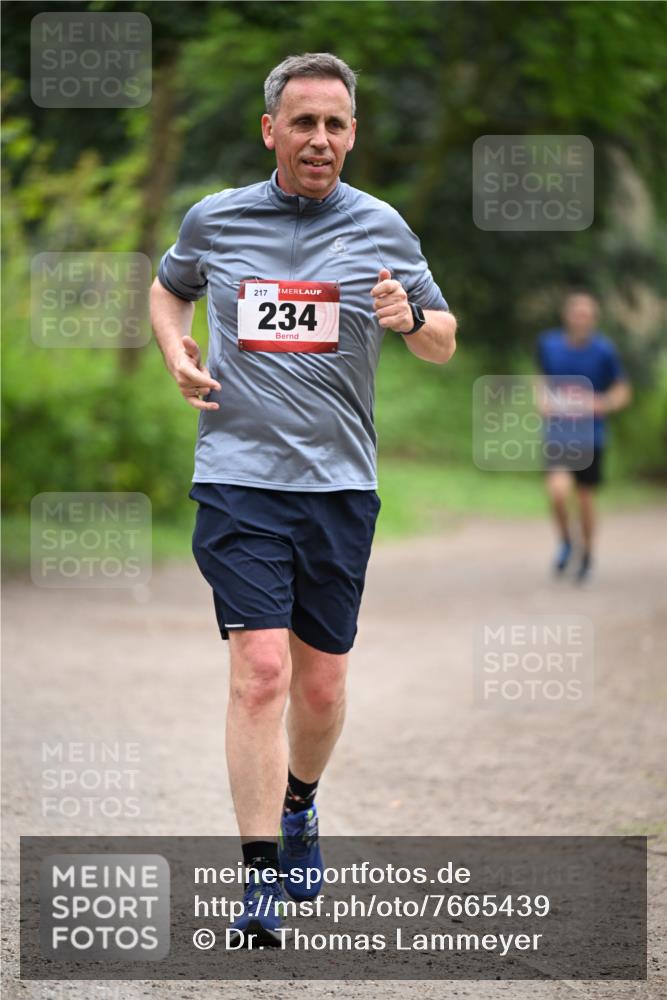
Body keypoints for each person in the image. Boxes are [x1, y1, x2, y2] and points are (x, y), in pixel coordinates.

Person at [150, 52, 456, 945]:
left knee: (319, 691)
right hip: (239, 480)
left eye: (334, 124)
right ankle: (255, 881)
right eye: (303, 122)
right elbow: (170, 295)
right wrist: (176, 351)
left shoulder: (383, 228)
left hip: (339, 487)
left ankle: (301, 802)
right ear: (270, 130)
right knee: (262, 674)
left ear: (352, 133)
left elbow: (441, 339)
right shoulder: (216, 219)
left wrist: (408, 321)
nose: (319, 138)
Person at [537, 291, 631, 582]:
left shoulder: (604, 351)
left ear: (594, 318)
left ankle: (588, 555)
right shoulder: (549, 345)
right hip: (558, 433)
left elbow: (622, 391)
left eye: (587, 313)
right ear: (567, 315)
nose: (581, 318)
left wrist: (602, 403)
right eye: (577, 312)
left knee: (585, 498)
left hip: (591, 436)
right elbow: (541, 380)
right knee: (557, 493)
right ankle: (566, 541)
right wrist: (542, 400)